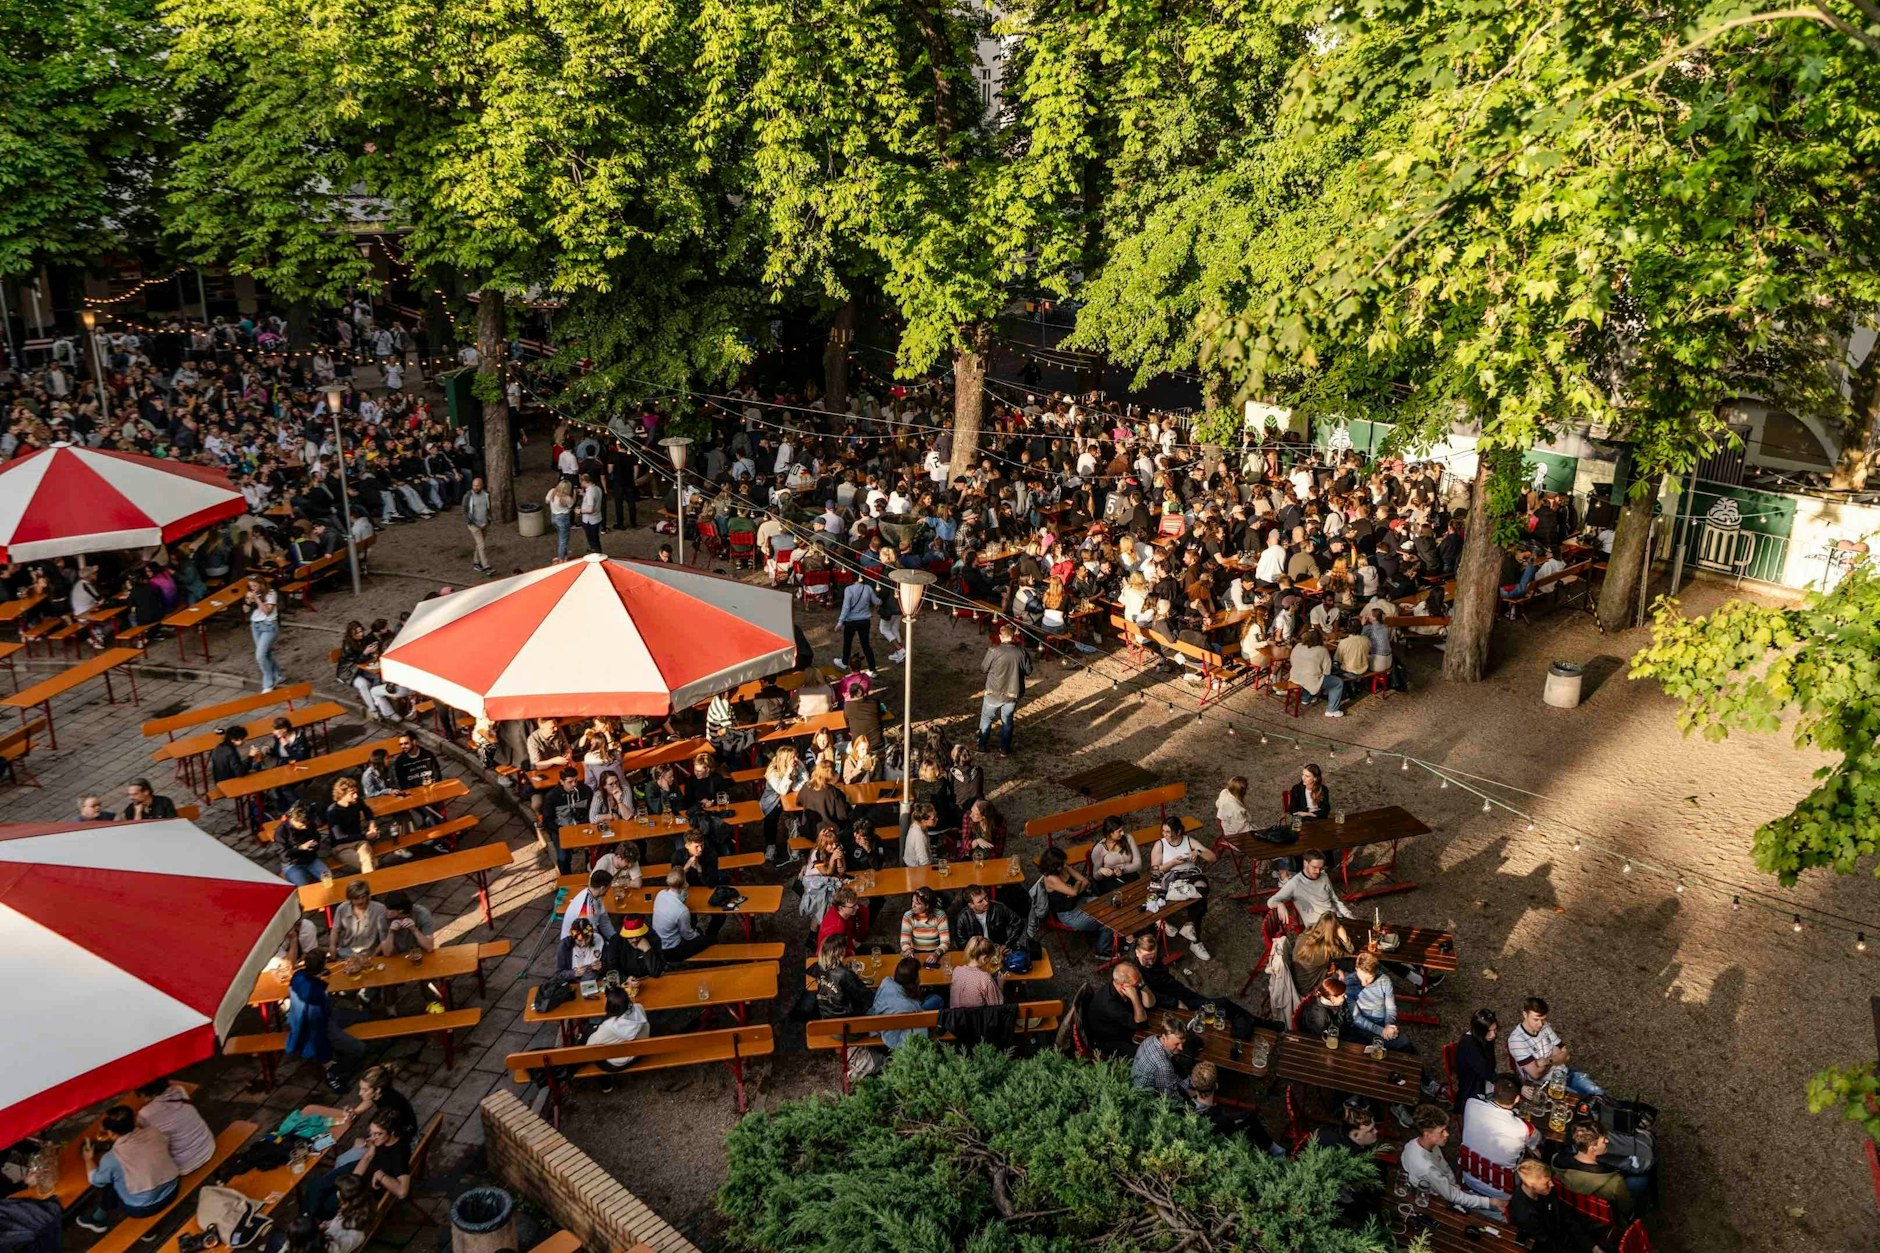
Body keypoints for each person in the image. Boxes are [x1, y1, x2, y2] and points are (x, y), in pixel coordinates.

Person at [74, 1105, 181, 1232]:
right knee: (120, 1174)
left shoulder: (112, 1158)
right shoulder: (154, 1132)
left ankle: (99, 1219)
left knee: (111, 1182)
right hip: (172, 1189)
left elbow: (96, 1180)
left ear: (111, 1133)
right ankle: (146, 1231)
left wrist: (88, 1159)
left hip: (143, 1208)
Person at [1402, 1104, 1505, 1217]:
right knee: (1498, 1215)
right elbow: (1451, 1196)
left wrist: (1455, 1186)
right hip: (1437, 1202)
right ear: (1427, 1135)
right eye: (1441, 1131)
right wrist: (1489, 1202)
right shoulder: (1426, 1167)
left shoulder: (1423, 1144)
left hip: (1449, 1188)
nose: (1447, 1134)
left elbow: (1445, 1167)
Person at [1508, 996, 1606, 1099]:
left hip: (1564, 1073)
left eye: (1543, 1019)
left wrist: (1547, 1061)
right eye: (1536, 1019)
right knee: (1584, 1101)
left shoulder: (1545, 1026)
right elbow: (1536, 1074)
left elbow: (1566, 1055)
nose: (1540, 1024)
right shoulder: (1517, 1040)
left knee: (1598, 1094)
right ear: (1525, 1014)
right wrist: (1556, 1056)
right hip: (1546, 1085)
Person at [1460, 1076, 1542, 1199]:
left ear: (1493, 1091)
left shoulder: (1471, 1104)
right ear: (1517, 1099)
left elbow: (1481, 1098)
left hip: (1468, 1179)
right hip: (1502, 1193)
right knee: (1538, 1155)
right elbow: (1536, 1145)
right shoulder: (1524, 1129)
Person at [1507, 1160, 1612, 1253]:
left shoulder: (1546, 1191)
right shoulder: (1524, 1214)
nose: (1552, 1184)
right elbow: (1546, 1244)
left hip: (1569, 1236)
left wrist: (1592, 1246)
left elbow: (1567, 1217)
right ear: (1531, 1186)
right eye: (1546, 1183)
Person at [1150, 817, 1216, 960]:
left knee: (1203, 888)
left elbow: (1212, 857)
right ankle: (1195, 939)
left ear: (1178, 831)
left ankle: (1189, 926)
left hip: (1189, 876)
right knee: (1199, 901)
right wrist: (1172, 863)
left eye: (1168, 832)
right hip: (1171, 878)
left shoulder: (1188, 841)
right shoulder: (1160, 845)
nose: (1165, 835)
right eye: (1163, 831)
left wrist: (1198, 852)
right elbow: (1155, 871)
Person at [1189, 1061, 1284, 1156]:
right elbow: (1229, 1130)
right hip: (1228, 1141)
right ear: (1216, 1085)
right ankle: (1275, 1151)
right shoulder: (1220, 1120)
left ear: (1193, 1083)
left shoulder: (1188, 1107)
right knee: (1250, 1120)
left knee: (1248, 1117)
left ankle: (1274, 1148)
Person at [1551, 1120, 1639, 1218]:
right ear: (1592, 1148)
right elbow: (1625, 1207)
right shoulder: (1614, 1183)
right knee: (1640, 1180)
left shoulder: (1556, 1159)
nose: (1607, 1141)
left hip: (1576, 1212)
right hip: (1606, 1220)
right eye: (1603, 1140)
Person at [1038, 845, 1111, 957]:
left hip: (1080, 901)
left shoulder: (1064, 867)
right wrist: (1076, 886)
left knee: (1108, 905)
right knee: (1108, 918)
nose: (1063, 866)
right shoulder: (1050, 878)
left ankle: (1101, 935)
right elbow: (1073, 892)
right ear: (1053, 866)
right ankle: (1102, 950)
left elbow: (1085, 882)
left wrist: (1075, 890)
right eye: (1060, 865)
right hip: (1070, 914)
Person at [132, 1079, 214, 1174]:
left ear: (143, 1093)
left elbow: (139, 1131)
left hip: (185, 1164)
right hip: (207, 1145)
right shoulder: (179, 1090)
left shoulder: (145, 1114)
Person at [977, 625, 1031, 755]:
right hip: (1011, 693)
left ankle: (982, 745)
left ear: (1001, 636)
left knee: (986, 719)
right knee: (1007, 721)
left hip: (993, 692)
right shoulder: (1021, 652)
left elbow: (984, 668)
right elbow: (1028, 671)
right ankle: (1004, 749)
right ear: (1013, 636)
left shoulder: (993, 651)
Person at [1345, 950, 1414, 1053]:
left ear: (1376, 972)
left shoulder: (1384, 980)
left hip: (1383, 1023)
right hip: (1362, 1027)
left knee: (1407, 1046)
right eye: (1361, 977)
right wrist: (1381, 1031)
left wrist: (1388, 1025)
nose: (1364, 983)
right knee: (1403, 1044)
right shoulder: (1349, 983)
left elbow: (1391, 1008)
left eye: (1369, 978)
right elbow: (1357, 1018)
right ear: (1356, 969)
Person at [1082, 961, 1152, 1059]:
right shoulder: (1111, 1005)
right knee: (1144, 1054)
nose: (1139, 985)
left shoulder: (1116, 985)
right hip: (1109, 1040)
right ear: (1123, 986)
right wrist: (1134, 997)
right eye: (1136, 984)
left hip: (1118, 1027)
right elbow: (1141, 1023)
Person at [1269, 849, 1354, 928]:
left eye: (1320, 868)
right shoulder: (1295, 883)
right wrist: (1280, 904)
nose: (1318, 871)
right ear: (1305, 863)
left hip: (1337, 920)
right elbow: (1271, 901)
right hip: (1318, 927)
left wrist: (1348, 914)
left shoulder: (1324, 876)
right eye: (1314, 867)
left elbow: (1334, 900)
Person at [585, 985, 651, 1085]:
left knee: (593, 1050)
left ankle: (605, 1084)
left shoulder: (607, 1028)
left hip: (616, 1063)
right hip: (639, 1053)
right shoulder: (639, 1008)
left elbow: (589, 1046)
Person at [869, 957, 943, 1046]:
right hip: (897, 1038)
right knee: (937, 1000)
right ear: (914, 981)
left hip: (884, 1022)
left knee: (934, 999)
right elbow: (920, 1037)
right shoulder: (910, 1007)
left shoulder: (886, 983)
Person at [651, 868, 710, 961]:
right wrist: (698, 936)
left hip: (657, 942)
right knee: (710, 940)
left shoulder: (660, 894)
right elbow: (687, 935)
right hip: (672, 950)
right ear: (685, 884)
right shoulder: (682, 911)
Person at [1288, 627, 1346, 716]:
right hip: (1310, 680)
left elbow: (1292, 661)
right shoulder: (1322, 650)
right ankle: (1332, 710)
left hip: (1295, 676)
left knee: (1308, 674)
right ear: (1319, 638)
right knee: (1337, 682)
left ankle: (1305, 698)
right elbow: (1327, 671)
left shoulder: (1298, 646)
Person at [1453, 1008, 1502, 1111]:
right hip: (1473, 1090)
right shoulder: (1469, 1045)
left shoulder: (1484, 1039)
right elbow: (1486, 1072)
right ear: (1479, 1030)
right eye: (1489, 1031)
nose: (1493, 1034)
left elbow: (1491, 1066)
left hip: (1483, 1082)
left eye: (1495, 1029)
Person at [813, 935, 872, 1017]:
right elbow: (865, 996)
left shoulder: (820, 966)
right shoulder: (844, 974)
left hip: (825, 1012)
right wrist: (854, 976)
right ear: (842, 951)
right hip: (844, 1015)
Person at [1131, 1017, 1189, 1099]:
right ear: (1164, 1038)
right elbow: (1169, 1097)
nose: (1181, 1048)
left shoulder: (1151, 1038)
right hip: (1144, 1099)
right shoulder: (1163, 1066)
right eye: (1176, 1044)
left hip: (1135, 1081)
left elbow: (1168, 1076)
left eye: (1183, 1043)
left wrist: (1186, 1086)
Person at [275, 802, 332, 886]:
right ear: (293, 820)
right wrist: (300, 848)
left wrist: (314, 845)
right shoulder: (281, 831)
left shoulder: (309, 824)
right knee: (302, 887)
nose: (305, 827)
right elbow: (284, 856)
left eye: (306, 824)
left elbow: (317, 837)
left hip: (311, 859)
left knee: (329, 879)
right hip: (292, 864)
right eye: (302, 825)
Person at [952, 883, 1023, 948]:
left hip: (998, 948)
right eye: (980, 901)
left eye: (986, 897)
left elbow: (1018, 923)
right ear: (971, 905)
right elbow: (961, 942)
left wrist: (1007, 945)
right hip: (977, 951)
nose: (986, 903)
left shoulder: (999, 908)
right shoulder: (962, 918)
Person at [331, 880, 389, 958]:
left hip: (368, 953)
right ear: (350, 899)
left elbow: (384, 939)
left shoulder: (379, 909)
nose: (360, 901)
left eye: (363, 897)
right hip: (345, 953)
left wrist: (373, 956)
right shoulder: (342, 908)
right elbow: (335, 929)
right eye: (356, 898)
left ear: (368, 896)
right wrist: (332, 946)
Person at [835, 572, 880, 672]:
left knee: (847, 642)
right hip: (864, 621)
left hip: (851, 621)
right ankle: (872, 669)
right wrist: (881, 601)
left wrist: (840, 622)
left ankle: (844, 662)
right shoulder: (868, 588)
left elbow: (846, 607)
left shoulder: (848, 590)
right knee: (866, 645)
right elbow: (876, 601)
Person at [246, 574, 284, 691]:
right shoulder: (252, 593)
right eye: (250, 586)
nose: (252, 588)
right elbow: (246, 609)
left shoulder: (271, 593)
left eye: (254, 585)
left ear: (261, 584)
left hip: (269, 625)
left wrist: (257, 599)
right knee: (265, 653)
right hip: (256, 625)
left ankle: (268, 682)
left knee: (260, 655)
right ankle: (278, 674)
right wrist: (247, 602)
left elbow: (267, 611)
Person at [562, 868, 618, 943]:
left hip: (586, 933)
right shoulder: (586, 910)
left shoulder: (595, 895)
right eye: (608, 888)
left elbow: (603, 918)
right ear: (602, 888)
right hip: (575, 942)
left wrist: (614, 937)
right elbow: (592, 935)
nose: (608, 891)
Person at [949, 936, 1006, 1009]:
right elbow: (997, 1008)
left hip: (956, 1018)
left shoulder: (956, 971)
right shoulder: (985, 979)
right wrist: (1001, 985)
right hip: (976, 1019)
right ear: (985, 958)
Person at [899, 887, 952, 961]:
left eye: (917, 903)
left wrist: (936, 953)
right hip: (915, 951)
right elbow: (904, 940)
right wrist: (907, 949)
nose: (912, 906)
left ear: (927, 906)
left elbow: (945, 942)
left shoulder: (940, 915)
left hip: (936, 950)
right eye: (912, 901)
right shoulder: (908, 915)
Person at [1090, 816, 1143, 886]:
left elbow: (1138, 864)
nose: (1123, 833)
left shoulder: (1128, 839)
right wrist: (1100, 871)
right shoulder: (1099, 849)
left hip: (1131, 876)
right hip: (1111, 882)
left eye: (1122, 830)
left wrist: (1123, 870)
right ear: (1110, 833)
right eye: (1119, 831)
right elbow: (1096, 877)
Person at [378, 892, 435, 957]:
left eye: (388, 909)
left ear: (401, 910)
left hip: (418, 954)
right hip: (396, 957)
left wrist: (414, 930)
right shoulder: (382, 918)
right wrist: (391, 932)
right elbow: (386, 953)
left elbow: (429, 947)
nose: (384, 911)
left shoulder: (422, 913)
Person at [462, 475, 492, 574]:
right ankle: (486, 566)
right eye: (474, 486)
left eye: (477, 486)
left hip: (484, 523)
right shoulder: (468, 496)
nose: (475, 488)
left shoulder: (486, 494)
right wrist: (469, 522)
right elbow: (465, 511)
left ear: (482, 485)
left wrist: (489, 519)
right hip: (474, 525)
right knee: (482, 545)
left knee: (479, 544)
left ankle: (476, 563)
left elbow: (488, 507)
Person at [1215, 775, 1253, 841]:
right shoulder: (1236, 810)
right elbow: (1242, 829)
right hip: (1236, 838)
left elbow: (1218, 804)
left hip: (1226, 827)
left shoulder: (1224, 793)